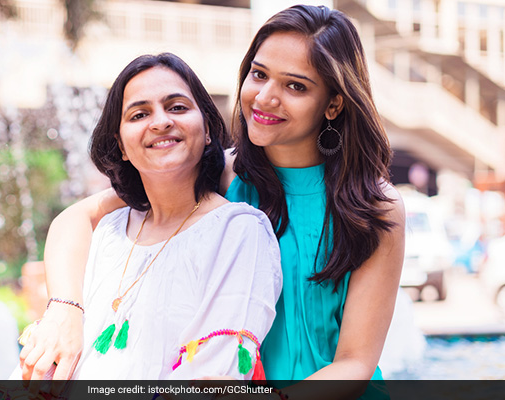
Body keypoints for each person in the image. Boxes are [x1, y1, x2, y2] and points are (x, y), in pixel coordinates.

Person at [21, 4, 405, 397]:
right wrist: (65, 309)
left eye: (295, 86)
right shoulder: (221, 172)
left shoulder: (374, 207)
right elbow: (77, 218)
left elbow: (355, 363)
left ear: (334, 103)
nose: (265, 97)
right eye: (259, 74)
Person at [17, 53, 281, 381]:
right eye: (139, 114)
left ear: (208, 129)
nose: (160, 122)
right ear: (121, 146)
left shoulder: (238, 231)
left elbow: (213, 376)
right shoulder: (107, 231)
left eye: (177, 107)